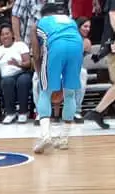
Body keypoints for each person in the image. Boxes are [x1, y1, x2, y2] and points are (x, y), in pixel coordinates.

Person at [32, 0, 85, 149]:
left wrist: (41, 75)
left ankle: (45, 136)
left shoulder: (39, 23)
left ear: (43, 14)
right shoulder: (70, 20)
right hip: (76, 47)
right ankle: (64, 138)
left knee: (45, 92)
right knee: (69, 94)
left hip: (56, 46)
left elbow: (36, 54)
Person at [0, 21, 32, 121]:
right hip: (6, 76)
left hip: (22, 72)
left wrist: (18, 64)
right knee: (7, 82)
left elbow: (28, 63)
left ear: (12, 34)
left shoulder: (20, 45)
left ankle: (23, 112)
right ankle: (10, 113)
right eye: (2, 34)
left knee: (22, 81)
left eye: (7, 33)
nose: (5, 36)